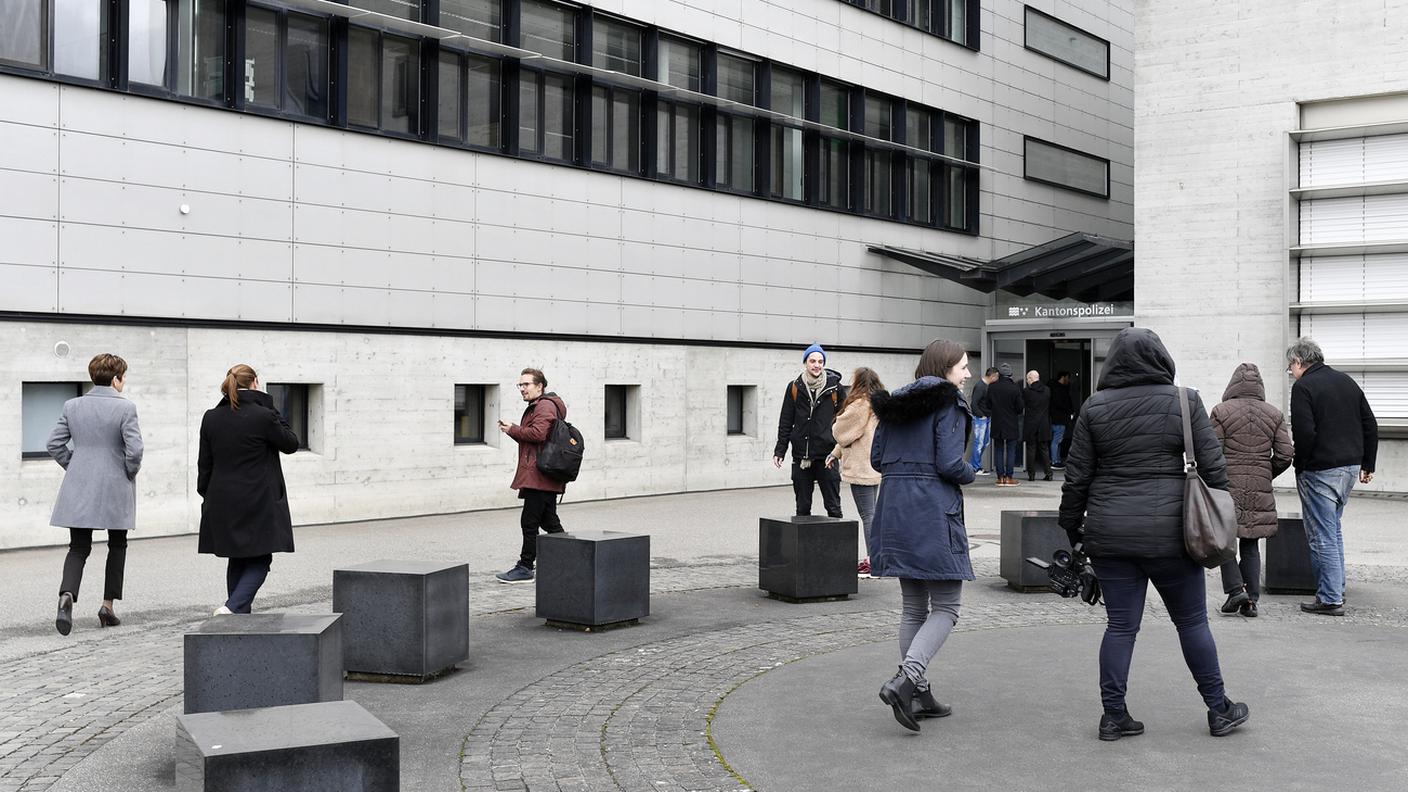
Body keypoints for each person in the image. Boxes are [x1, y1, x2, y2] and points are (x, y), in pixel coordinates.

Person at [1059, 327, 1250, 740]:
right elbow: (1215, 471)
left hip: (1110, 534)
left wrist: (1071, 527)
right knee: (1192, 622)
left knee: (1120, 627)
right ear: (1162, 358)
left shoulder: (1094, 407)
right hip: (1173, 537)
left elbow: (1076, 480)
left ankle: (1114, 716)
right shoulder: (1185, 400)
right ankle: (1219, 709)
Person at [869, 339, 976, 732]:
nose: (968, 374)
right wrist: (972, 474)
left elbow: (877, 460)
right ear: (946, 368)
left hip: (895, 509)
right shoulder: (949, 404)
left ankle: (919, 693)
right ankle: (905, 679)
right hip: (932, 510)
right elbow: (950, 464)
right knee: (947, 606)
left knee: (914, 607)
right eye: (963, 367)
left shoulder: (893, 403)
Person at [47, 353, 144, 635]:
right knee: (117, 545)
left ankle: (66, 596)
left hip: (80, 485)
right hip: (115, 485)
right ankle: (107, 606)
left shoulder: (72, 405)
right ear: (116, 379)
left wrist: (74, 466)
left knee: (78, 547)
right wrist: (128, 472)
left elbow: (53, 443)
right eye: (123, 377)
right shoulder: (126, 409)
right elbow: (135, 450)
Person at [1286, 337, 1379, 616]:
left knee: (1322, 535)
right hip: (1349, 467)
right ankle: (1336, 590)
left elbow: (1304, 433)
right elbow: (1370, 424)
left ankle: (1329, 599)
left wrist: (1300, 465)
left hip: (1320, 470)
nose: (1291, 372)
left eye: (1291, 366)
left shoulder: (1303, 387)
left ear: (1300, 362)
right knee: (1333, 530)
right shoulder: (1346, 382)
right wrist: (1368, 464)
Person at [198, 364, 300, 614]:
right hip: (257, 498)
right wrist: (268, 404)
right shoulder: (263, 416)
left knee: (238, 557)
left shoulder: (211, 417)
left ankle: (236, 617)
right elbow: (291, 443)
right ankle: (232, 608)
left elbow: (204, 464)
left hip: (221, 498)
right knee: (261, 559)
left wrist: (207, 495)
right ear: (255, 382)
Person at [1209, 363, 1294, 618]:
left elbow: (1211, 452)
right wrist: (1266, 473)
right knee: (1250, 543)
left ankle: (1236, 590)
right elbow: (1285, 454)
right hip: (1259, 486)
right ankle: (1251, 602)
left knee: (1223, 540)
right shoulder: (1274, 414)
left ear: (1232, 385)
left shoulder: (1221, 412)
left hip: (1227, 486)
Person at [495, 368, 569, 583]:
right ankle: (570, 558)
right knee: (550, 522)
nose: (522, 389)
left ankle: (526, 566)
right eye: (520, 385)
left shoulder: (544, 405)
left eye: (526, 384)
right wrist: (513, 431)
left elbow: (538, 434)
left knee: (529, 522)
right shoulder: (539, 405)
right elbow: (537, 441)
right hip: (541, 474)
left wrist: (514, 429)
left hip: (540, 476)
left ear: (540, 386)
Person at [773, 344, 845, 518]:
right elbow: (786, 421)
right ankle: (804, 546)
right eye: (812, 361)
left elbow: (845, 420)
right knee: (802, 509)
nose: (817, 365)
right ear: (805, 363)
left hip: (828, 456)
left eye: (820, 361)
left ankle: (836, 545)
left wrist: (840, 449)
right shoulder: (794, 388)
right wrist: (780, 450)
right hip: (801, 457)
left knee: (833, 507)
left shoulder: (835, 389)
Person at [827, 368, 884, 576]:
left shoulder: (860, 405)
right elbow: (855, 437)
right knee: (873, 514)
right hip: (874, 465)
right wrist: (835, 453)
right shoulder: (878, 403)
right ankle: (876, 559)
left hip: (861, 467)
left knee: (868, 515)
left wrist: (837, 425)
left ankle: (873, 562)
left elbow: (842, 432)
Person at [985, 363, 1024, 487]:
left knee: (998, 449)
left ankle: (1000, 477)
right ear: (1010, 374)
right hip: (1011, 423)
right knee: (1011, 450)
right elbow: (1020, 408)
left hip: (997, 422)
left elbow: (988, 405)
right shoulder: (1015, 388)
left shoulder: (992, 387)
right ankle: (1009, 477)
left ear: (999, 374)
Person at [1022, 370, 1052, 481]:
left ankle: (1031, 475)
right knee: (1044, 449)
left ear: (1031, 378)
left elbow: (1022, 405)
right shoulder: (1047, 390)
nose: (1026, 381)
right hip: (1043, 424)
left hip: (1031, 424)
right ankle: (1049, 473)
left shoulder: (1026, 392)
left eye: (1027, 379)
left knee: (1031, 449)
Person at [968, 367, 998, 474]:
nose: (997, 379)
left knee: (985, 442)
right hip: (981, 419)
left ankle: (975, 465)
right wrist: (981, 415)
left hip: (986, 418)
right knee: (979, 443)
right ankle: (975, 467)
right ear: (992, 376)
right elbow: (974, 403)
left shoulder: (986, 386)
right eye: (997, 377)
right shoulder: (980, 386)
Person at [1050, 371, 1075, 468]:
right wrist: (1070, 410)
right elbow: (1062, 404)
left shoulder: (1055, 388)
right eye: (1067, 378)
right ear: (1063, 377)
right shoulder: (1059, 390)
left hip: (1057, 418)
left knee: (1058, 440)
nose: (1068, 380)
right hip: (1059, 418)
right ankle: (1054, 461)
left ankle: (1057, 460)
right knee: (1057, 440)